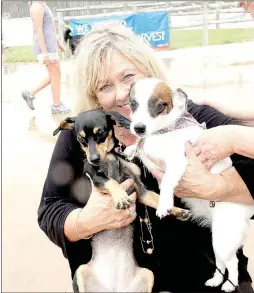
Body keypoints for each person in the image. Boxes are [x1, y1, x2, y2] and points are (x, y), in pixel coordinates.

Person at [38, 24, 254, 292]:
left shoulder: (191, 119)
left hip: (207, 280)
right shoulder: (84, 135)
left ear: (149, 72)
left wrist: (217, 187)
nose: (121, 95)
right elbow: (50, 209)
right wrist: (84, 222)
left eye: (128, 76)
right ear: (93, 95)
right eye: (105, 86)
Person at [22, 1, 70, 114]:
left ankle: (29, 93)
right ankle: (56, 105)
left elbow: (50, 27)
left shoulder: (43, 4)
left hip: (50, 46)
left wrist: (58, 42)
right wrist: (45, 54)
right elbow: (39, 31)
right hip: (46, 49)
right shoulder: (36, 7)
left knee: (54, 75)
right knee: (55, 75)